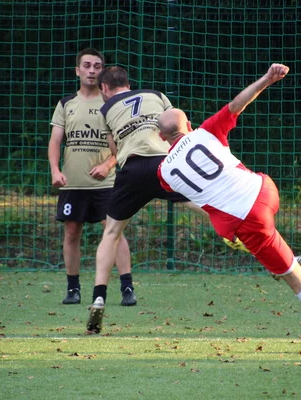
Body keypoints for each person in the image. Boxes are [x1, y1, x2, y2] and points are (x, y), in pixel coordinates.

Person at [156, 63, 301, 353]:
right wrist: (267, 79)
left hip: (246, 222)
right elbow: (236, 104)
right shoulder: (206, 131)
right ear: (188, 124)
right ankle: (279, 258)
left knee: (292, 276)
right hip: (264, 191)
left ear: (162, 137)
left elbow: (179, 186)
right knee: (256, 237)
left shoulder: (164, 173)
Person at [85, 65, 201, 334]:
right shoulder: (158, 96)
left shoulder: (106, 109)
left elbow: (115, 149)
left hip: (133, 169)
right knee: (205, 206)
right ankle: (255, 245)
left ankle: (99, 297)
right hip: (164, 165)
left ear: (104, 88)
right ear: (128, 82)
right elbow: (176, 130)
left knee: (111, 232)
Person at [48, 48, 134, 307]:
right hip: (73, 183)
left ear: (102, 72)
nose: (92, 70)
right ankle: (73, 288)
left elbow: (126, 143)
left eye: (97, 66)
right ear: (78, 70)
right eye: (87, 65)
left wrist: (109, 164)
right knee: (71, 233)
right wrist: (55, 169)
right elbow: (55, 141)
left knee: (114, 231)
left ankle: (127, 287)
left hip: (106, 183)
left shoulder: (112, 104)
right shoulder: (66, 104)